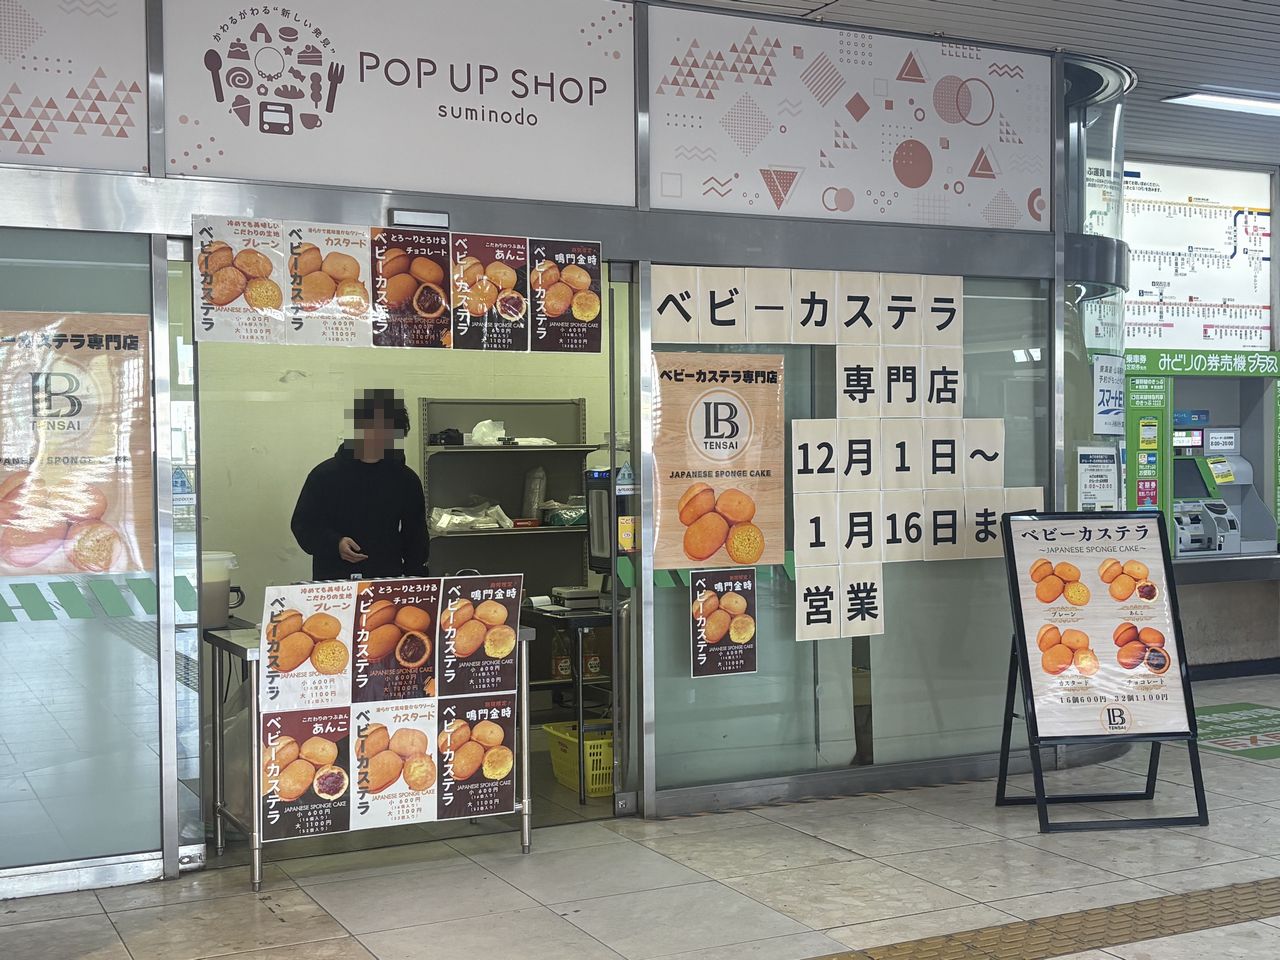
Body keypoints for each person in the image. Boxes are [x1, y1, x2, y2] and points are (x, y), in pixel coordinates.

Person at [291, 388, 428, 581]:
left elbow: (416, 537)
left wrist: (416, 582)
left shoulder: (406, 479)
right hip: (334, 578)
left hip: (386, 578)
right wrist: (335, 543)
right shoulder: (324, 476)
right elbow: (304, 525)